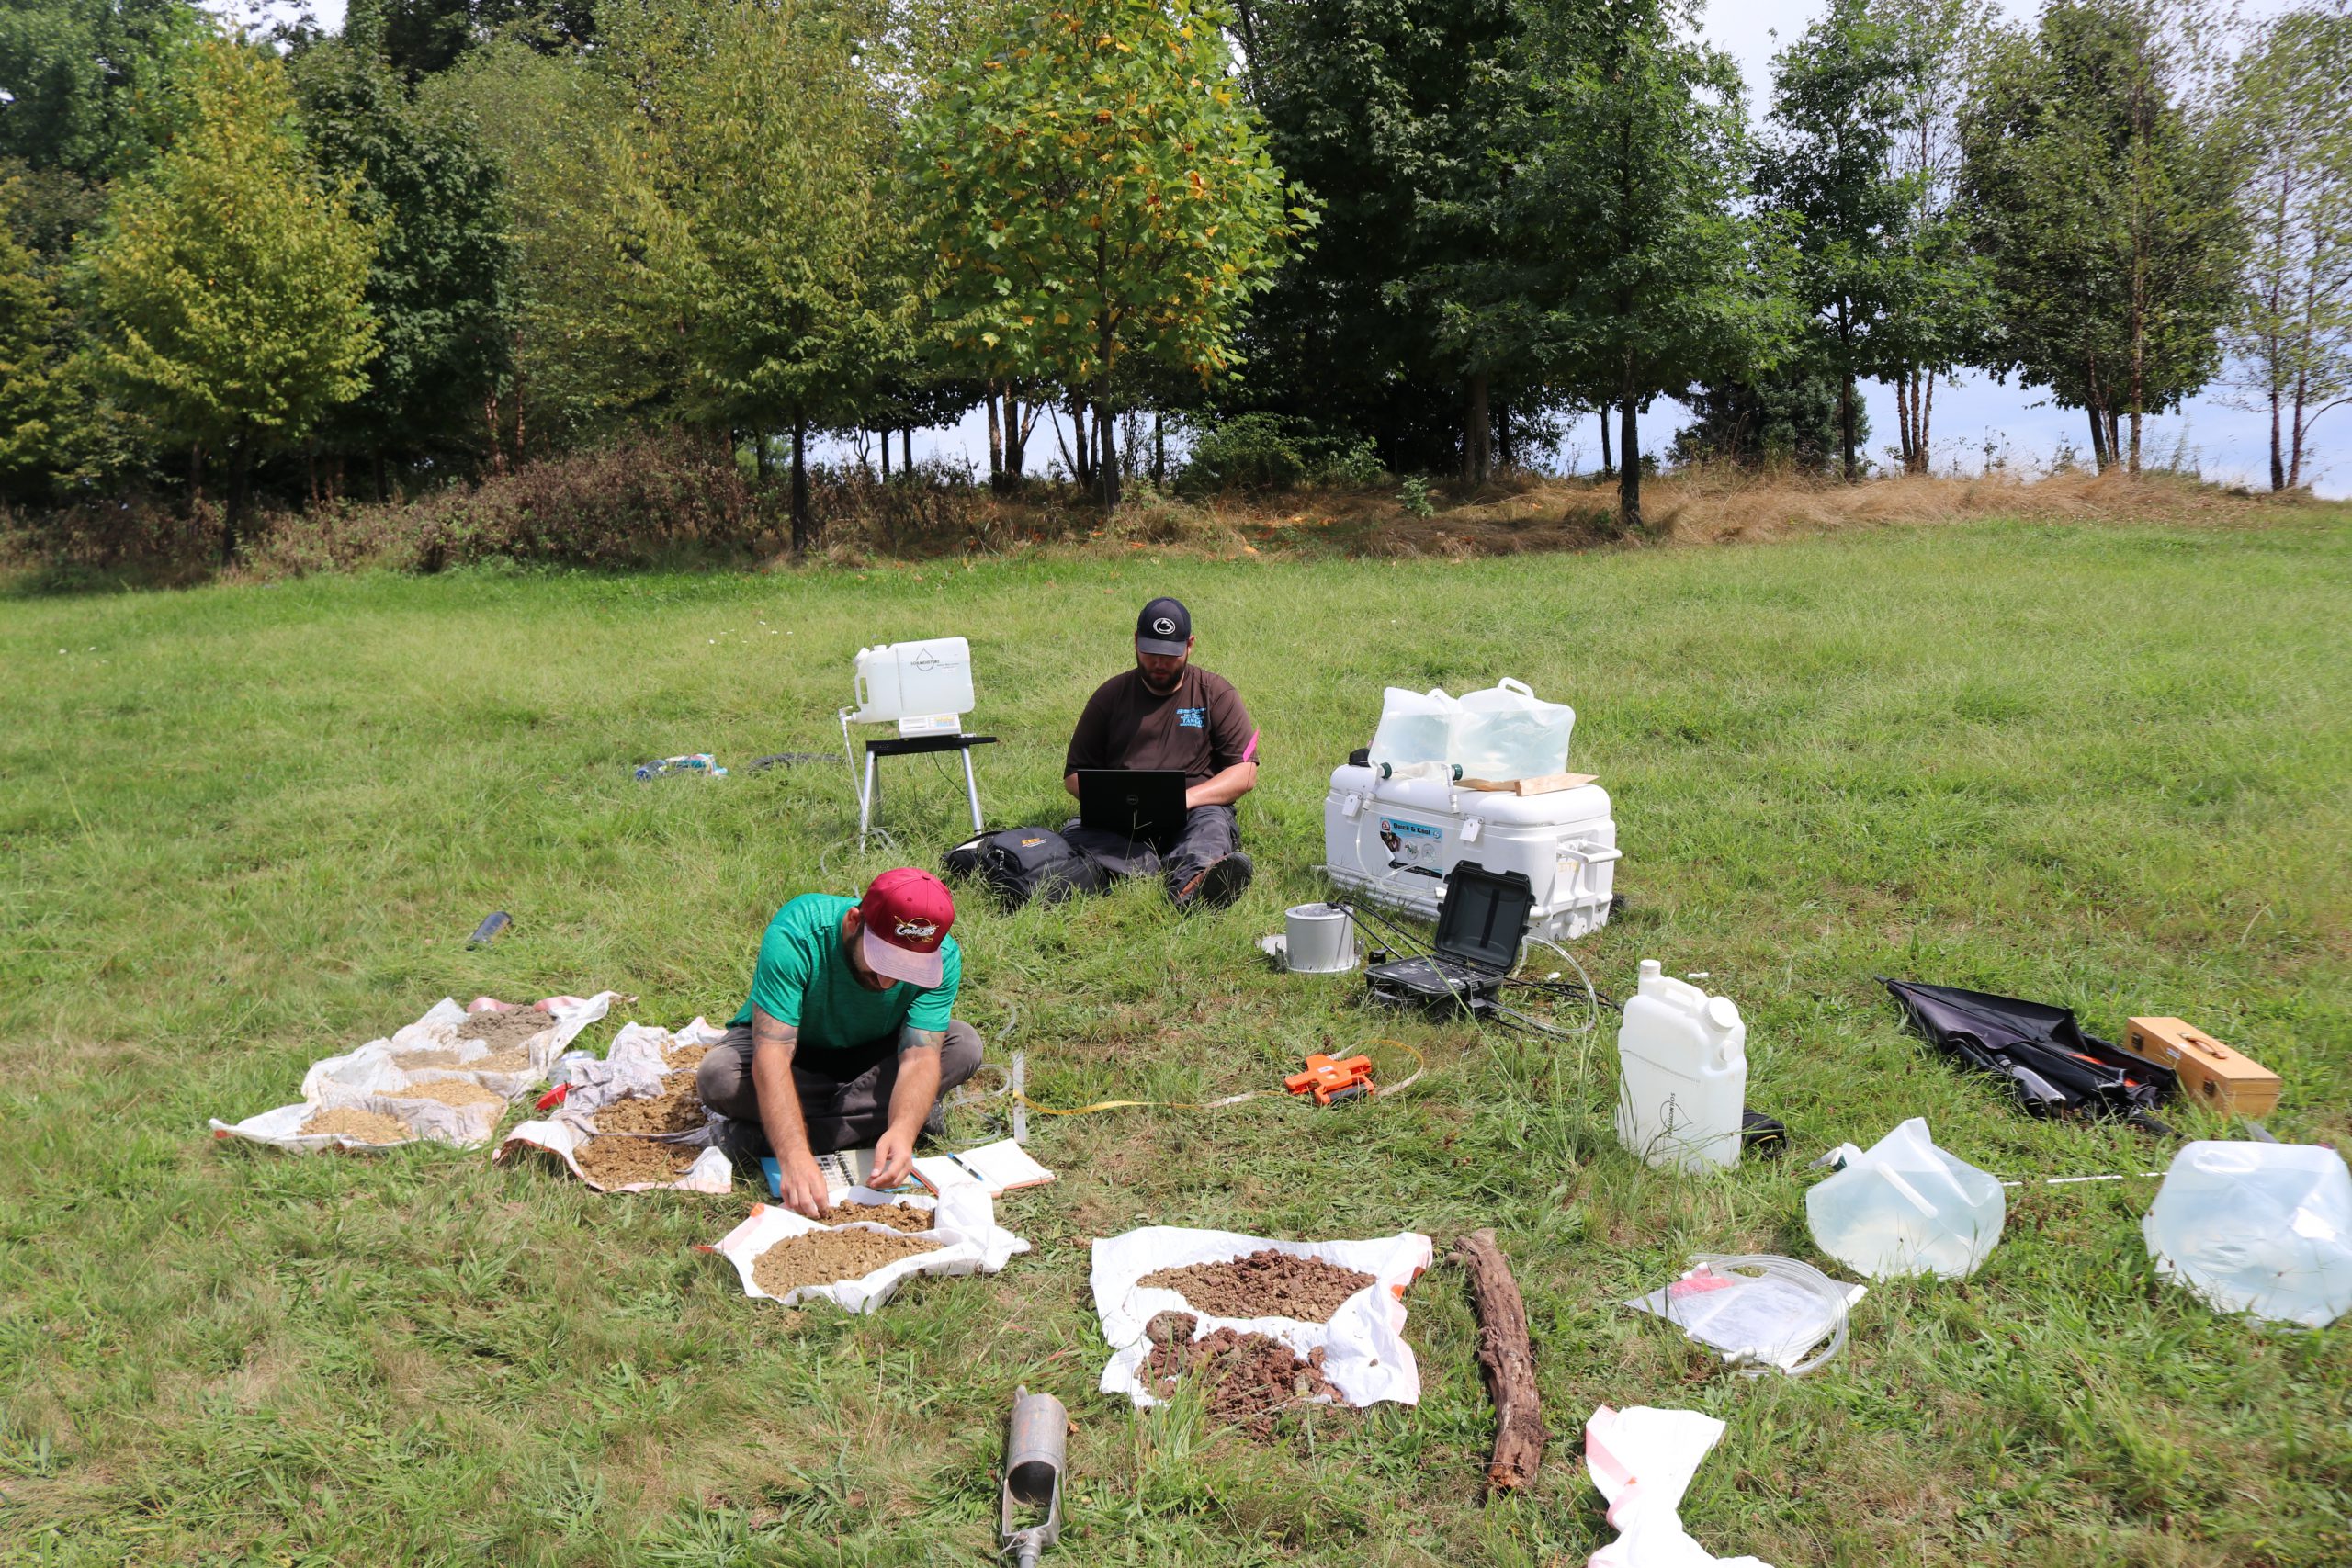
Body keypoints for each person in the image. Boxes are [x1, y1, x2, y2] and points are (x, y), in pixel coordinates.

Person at [697, 867, 981, 1217]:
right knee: (720, 1076)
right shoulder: (798, 932)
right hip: (798, 1053)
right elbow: (772, 1054)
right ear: (853, 922)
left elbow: (920, 1056)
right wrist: (794, 1157)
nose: (888, 980)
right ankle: (864, 1120)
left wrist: (904, 1130)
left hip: (873, 1053)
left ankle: (763, 1136)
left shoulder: (945, 958)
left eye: (908, 968)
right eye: (884, 960)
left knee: (963, 1045)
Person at [1062, 595, 1259, 908]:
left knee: (1211, 826)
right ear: (1136, 640)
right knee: (1072, 833)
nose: (1159, 663)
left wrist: (1187, 799)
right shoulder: (1109, 696)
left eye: (1170, 655)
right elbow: (1074, 775)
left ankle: (1190, 888)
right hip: (1123, 821)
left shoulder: (1217, 694)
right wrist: (1114, 802)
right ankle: (1155, 867)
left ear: (1190, 644)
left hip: (1194, 811)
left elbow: (1245, 772)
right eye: (1150, 652)